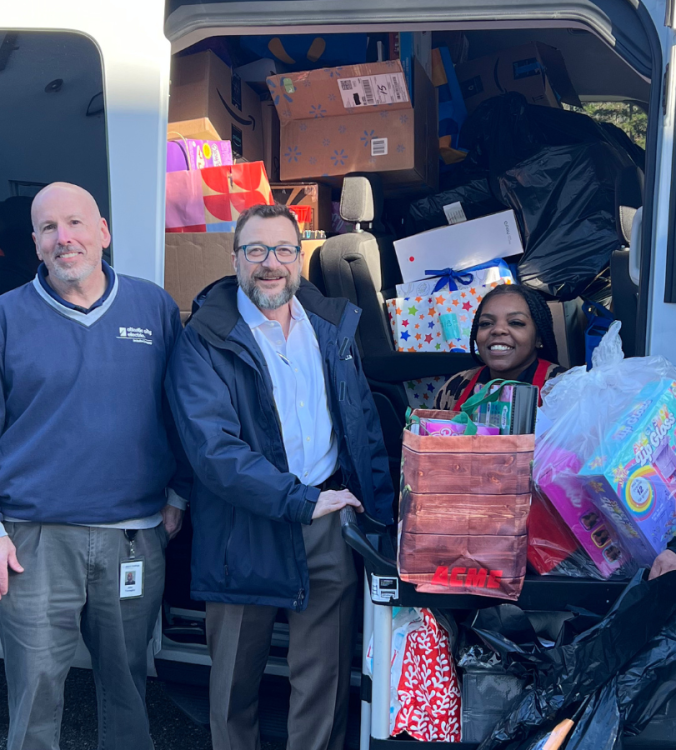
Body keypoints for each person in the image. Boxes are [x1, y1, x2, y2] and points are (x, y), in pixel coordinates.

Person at [165, 202, 394, 750]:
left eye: (284, 250)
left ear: (300, 258)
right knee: (234, 684)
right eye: (256, 250)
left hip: (329, 518)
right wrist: (299, 501)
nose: (271, 263)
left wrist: (382, 516)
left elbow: (362, 425)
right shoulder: (205, 338)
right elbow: (214, 452)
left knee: (324, 680)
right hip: (243, 525)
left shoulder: (331, 326)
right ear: (235, 259)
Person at [0, 182, 191, 750]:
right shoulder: (7, 316)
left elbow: (182, 410)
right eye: (49, 228)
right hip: (33, 540)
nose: (64, 238)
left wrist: (178, 495)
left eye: (76, 223)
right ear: (35, 243)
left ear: (103, 232)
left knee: (128, 688)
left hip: (133, 536)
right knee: (34, 691)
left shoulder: (154, 307)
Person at [435, 283, 565, 411]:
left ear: (538, 337)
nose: (498, 330)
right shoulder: (456, 386)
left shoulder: (563, 387)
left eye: (515, 322)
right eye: (486, 323)